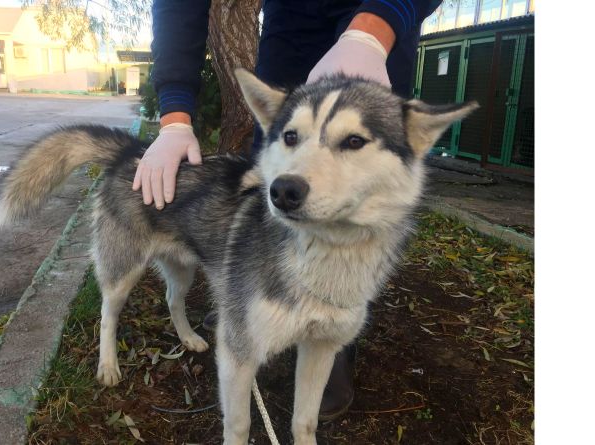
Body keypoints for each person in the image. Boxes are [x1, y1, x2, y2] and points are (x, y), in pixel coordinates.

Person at [136, 0, 442, 421]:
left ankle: (331, 335)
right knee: (281, 181)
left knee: (359, 183)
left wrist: (376, 25)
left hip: (383, 12)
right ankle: (256, 298)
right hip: (290, 20)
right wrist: (174, 116)